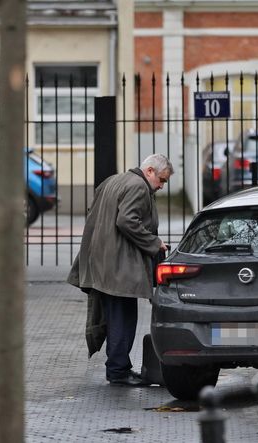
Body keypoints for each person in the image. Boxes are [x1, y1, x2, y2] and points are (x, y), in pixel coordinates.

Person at [68, 154, 173, 387]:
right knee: (123, 319)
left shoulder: (114, 181)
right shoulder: (138, 186)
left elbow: (95, 212)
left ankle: (118, 367)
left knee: (115, 316)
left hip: (103, 262)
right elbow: (126, 221)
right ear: (149, 171)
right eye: (162, 180)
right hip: (118, 266)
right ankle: (118, 370)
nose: (162, 186)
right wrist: (154, 243)